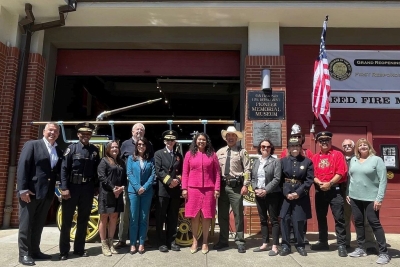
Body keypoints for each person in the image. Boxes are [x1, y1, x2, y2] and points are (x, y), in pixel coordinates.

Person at [17, 123, 63, 266]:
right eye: (50, 130)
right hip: (30, 192)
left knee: (38, 224)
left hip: (47, 193)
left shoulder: (58, 150)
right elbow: (23, 165)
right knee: (26, 224)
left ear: (58, 135)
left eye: (55, 131)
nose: (52, 133)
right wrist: (22, 189)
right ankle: (24, 254)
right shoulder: (32, 145)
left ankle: (35, 251)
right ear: (44, 131)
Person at [59, 122, 100, 260]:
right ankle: (64, 251)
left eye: (88, 134)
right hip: (72, 188)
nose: (86, 136)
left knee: (83, 219)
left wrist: (95, 187)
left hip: (87, 189)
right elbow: (64, 169)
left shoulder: (94, 151)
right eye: (83, 134)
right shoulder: (71, 149)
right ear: (78, 135)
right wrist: (64, 188)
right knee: (67, 220)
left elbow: (96, 172)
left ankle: (79, 249)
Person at [347, 138, 390, 264]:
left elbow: (383, 180)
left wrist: (379, 198)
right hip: (355, 197)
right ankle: (361, 248)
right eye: (360, 145)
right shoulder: (353, 160)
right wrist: (348, 193)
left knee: (374, 223)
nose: (363, 147)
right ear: (357, 148)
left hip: (371, 198)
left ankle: (384, 253)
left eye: (365, 145)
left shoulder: (377, 160)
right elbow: (351, 178)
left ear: (369, 147)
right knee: (359, 222)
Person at [182, 132, 220, 254]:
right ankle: (194, 241)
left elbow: (217, 173)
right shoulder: (189, 154)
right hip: (193, 189)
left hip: (209, 189)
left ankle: (204, 242)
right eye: (199, 140)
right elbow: (185, 172)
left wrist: (217, 189)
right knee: (194, 216)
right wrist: (184, 188)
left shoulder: (212, 155)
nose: (201, 142)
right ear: (195, 141)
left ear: (207, 141)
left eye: (203, 140)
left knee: (206, 216)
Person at [310, 131, 348, 257]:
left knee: (339, 218)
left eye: (326, 140)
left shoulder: (338, 155)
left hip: (335, 190)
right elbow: (312, 175)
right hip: (320, 190)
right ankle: (323, 242)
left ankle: (341, 244)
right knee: (321, 217)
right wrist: (320, 183)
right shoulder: (315, 157)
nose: (324, 142)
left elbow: (341, 172)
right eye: (321, 141)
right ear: (318, 143)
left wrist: (329, 183)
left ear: (331, 141)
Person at [116, 123, 153, 249]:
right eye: (137, 129)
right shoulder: (125, 144)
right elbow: (119, 162)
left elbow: (152, 167)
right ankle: (122, 239)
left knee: (143, 215)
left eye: (142, 130)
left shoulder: (149, 145)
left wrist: (145, 186)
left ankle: (143, 238)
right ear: (132, 132)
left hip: (145, 187)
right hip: (129, 185)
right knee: (127, 214)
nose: (139, 131)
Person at [214, 126, 251, 253]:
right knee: (222, 215)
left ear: (236, 138)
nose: (230, 138)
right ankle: (223, 240)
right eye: (228, 136)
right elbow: (215, 171)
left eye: (233, 136)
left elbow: (247, 170)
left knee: (238, 215)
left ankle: (240, 241)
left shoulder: (242, 151)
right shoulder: (219, 152)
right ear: (226, 138)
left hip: (236, 187)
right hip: (223, 187)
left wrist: (246, 184)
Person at [342, 139, 378, 253]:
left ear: (354, 147)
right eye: (345, 146)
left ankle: (369, 244)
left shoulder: (359, 158)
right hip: (344, 193)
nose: (347, 147)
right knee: (345, 219)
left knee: (365, 220)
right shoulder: (339, 158)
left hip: (361, 193)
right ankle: (346, 243)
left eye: (349, 145)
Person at [280, 137, 314, 257]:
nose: (295, 148)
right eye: (292, 146)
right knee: (284, 220)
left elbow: (309, 180)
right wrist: (286, 193)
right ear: (289, 148)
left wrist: (298, 193)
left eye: (297, 146)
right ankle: (285, 245)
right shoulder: (283, 161)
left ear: (300, 148)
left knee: (299, 221)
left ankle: (300, 245)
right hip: (286, 196)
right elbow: (280, 180)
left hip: (301, 196)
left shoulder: (307, 162)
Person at [251, 139, 282, 256]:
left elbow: (277, 179)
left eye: (268, 147)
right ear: (260, 148)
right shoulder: (256, 162)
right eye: (263, 146)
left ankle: (275, 245)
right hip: (259, 194)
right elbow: (253, 178)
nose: (265, 148)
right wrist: (255, 189)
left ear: (271, 148)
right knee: (263, 219)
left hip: (272, 195)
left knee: (274, 220)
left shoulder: (276, 161)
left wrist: (266, 190)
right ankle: (265, 243)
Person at [154, 130, 183, 252]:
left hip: (175, 190)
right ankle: (161, 243)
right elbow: (158, 170)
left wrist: (178, 180)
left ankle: (172, 241)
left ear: (175, 141)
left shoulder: (178, 155)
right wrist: (170, 181)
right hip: (163, 189)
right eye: (168, 140)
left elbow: (181, 171)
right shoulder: (159, 154)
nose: (170, 142)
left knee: (173, 217)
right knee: (161, 216)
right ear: (164, 141)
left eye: (172, 140)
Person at [97, 141, 126, 256]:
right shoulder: (103, 161)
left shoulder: (121, 162)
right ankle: (104, 245)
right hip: (106, 193)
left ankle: (111, 243)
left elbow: (124, 177)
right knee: (104, 218)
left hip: (118, 193)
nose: (115, 149)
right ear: (108, 149)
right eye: (112, 147)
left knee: (114, 217)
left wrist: (121, 188)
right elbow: (102, 177)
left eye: (116, 147)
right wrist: (113, 188)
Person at [127, 137, 155, 255]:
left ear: (146, 146)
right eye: (139, 144)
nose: (141, 146)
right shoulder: (131, 158)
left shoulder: (150, 159)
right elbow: (129, 173)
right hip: (134, 192)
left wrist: (145, 187)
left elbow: (153, 175)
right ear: (136, 146)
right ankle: (133, 243)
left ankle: (142, 243)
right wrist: (138, 187)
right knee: (134, 218)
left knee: (143, 218)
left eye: (143, 144)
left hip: (146, 192)